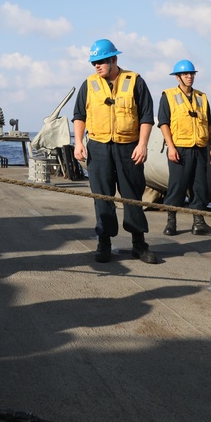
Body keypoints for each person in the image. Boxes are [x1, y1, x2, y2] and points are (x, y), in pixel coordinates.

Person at [72, 39, 159, 264]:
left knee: (132, 196)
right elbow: (79, 115)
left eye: (101, 61)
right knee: (102, 198)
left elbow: (147, 117)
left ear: (114, 60)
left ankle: (139, 244)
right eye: (94, 63)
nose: (97, 66)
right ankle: (104, 243)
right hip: (98, 148)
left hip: (128, 148)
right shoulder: (89, 84)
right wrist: (79, 143)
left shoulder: (135, 81)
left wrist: (142, 145)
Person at [158, 60, 211, 237]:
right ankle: (171, 223)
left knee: (200, 187)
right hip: (180, 149)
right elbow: (164, 123)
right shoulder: (168, 96)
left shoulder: (202, 98)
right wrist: (171, 147)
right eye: (186, 74)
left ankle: (199, 223)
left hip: (200, 148)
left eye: (192, 74)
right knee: (177, 186)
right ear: (178, 77)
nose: (190, 77)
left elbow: (209, 124)